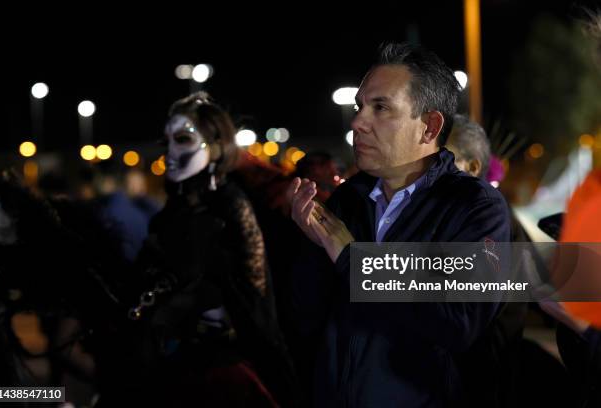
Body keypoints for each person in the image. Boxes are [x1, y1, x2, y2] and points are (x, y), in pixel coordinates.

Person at [288, 42, 510, 407]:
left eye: (381, 108)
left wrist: (354, 260)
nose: (358, 122)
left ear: (429, 126)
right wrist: (309, 244)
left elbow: (459, 322)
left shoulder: (475, 208)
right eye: (360, 106)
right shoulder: (347, 201)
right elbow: (307, 320)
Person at [104, 92, 297, 407]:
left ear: (217, 147)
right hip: (166, 362)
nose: (169, 152)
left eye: (182, 139)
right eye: (166, 141)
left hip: (222, 371)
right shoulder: (171, 212)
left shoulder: (231, 206)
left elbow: (253, 298)